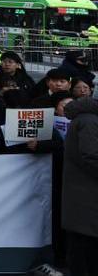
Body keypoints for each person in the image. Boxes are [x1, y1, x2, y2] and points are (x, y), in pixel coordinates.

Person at [61, 97, 98, 275]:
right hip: (87, 199)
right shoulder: (90, 121)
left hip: (83, 199)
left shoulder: (86, 119)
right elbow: (91, 157)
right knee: (85, 254)